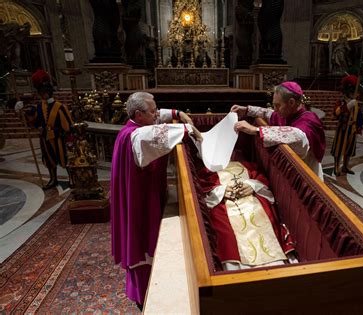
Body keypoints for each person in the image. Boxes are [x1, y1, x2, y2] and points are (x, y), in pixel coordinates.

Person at [110, 92, 202, 310]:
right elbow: (167, 134)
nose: (157, 114)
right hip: (140, 202)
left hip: (142, 192)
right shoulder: (138, 136)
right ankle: (146, 296)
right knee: (142, 243)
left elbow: (160, 116)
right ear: (139, 114)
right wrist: (190, 129)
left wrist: (179, 113)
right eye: (152, 111)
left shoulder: (136, 124)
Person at [199, 160, 296, 270]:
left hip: (254, 204)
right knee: (227, 234)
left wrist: (252, 185)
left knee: (263, 222)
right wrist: (221, 191)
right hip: (225, 208)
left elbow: (262, 181)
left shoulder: (248, 164)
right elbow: (203, 191)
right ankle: (237, 271)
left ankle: (276, 266)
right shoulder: (207, 171)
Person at [231, 81, 326, 181]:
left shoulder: (309, 120)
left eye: (277, 105)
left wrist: (256, 130)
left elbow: (299, 136)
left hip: (307, 176)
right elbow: (269, 113)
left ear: (291, 102)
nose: (275, 109)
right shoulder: (288, 112)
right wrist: (247, 110)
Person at [15, 69, 74, 189]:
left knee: (65, 159)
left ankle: (72, 178)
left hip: (58, 138)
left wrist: (65, 135)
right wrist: (19, 111)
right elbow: (32, 120)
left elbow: (67, 125)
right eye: (41, 92)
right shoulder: (38, 107)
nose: (44, 94)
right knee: (49, 160)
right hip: (45, 139)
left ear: (50, 91)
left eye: (45, 91)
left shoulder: (60, 107)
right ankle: (53, 179)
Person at [330, 75, 363, 176]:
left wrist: (359, 127)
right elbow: (336, 113)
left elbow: (359, 116)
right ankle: (336, 167)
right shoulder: (341, 102)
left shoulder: (356, 103)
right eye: (351, 91)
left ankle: (345, 166)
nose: (353, 93)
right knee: (338, 149)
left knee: (349, 149)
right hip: (343, 128)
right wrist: (347, 106)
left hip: (352, 129)